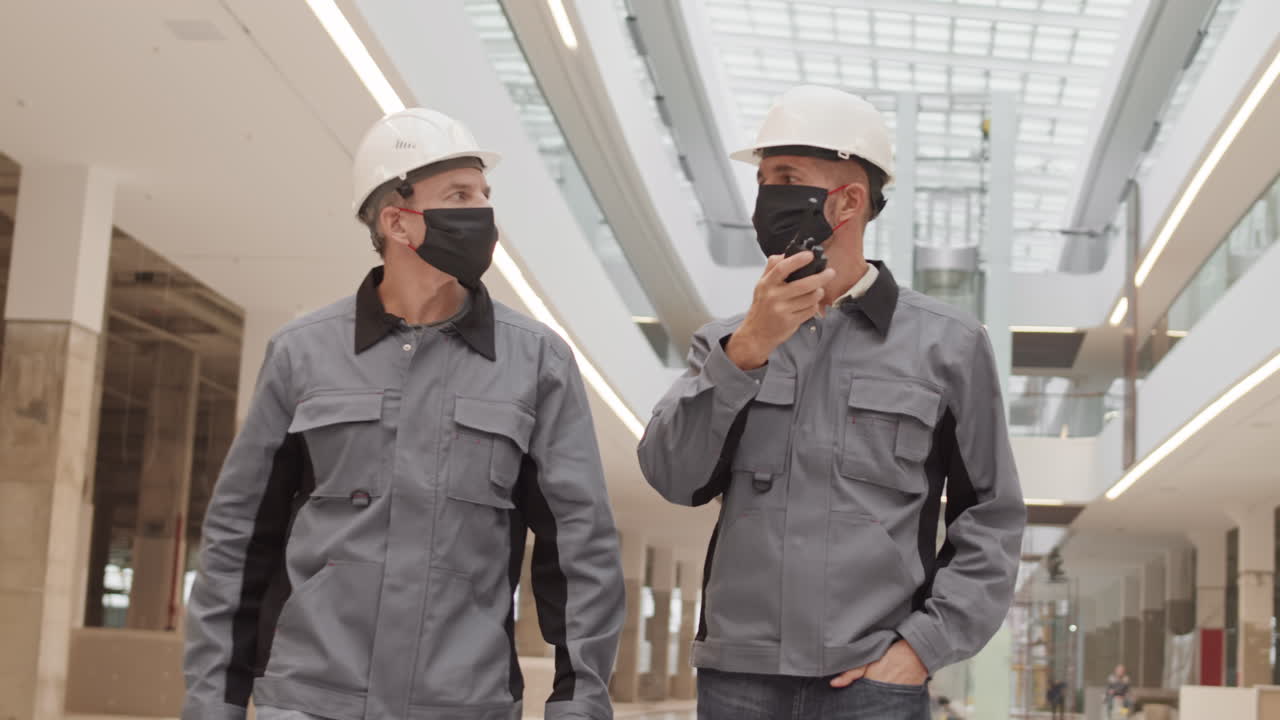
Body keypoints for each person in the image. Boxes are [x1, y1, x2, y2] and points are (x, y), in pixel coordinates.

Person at [182, 109, 625, 720]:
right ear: (397, 220)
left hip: (463, 703)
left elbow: (580, 548)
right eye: (459, 196)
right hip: (310, 699)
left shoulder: (537, 364)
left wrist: (579, 702)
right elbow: (239, 539)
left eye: (484, 196)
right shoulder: (302, 353)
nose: (482, 214)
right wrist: (213, 701)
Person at [637, 85, 1026, 720]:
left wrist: (920, 650)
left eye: (786, 178)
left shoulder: (949, 346)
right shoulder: (725, 340)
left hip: (873, 681)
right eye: (763, 180)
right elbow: (670, 474)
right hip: (739, 678)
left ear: (848, 202)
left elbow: (993, 515)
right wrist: (747, 351)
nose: (767, 198)